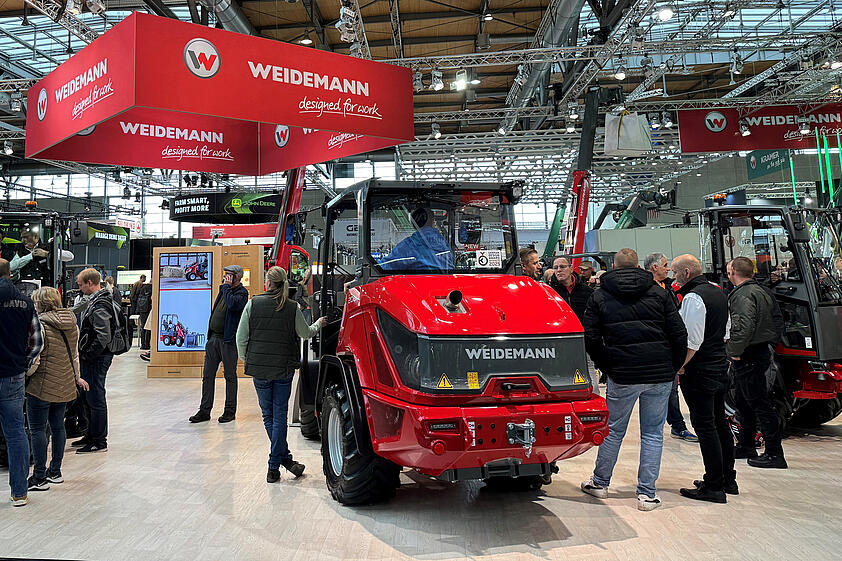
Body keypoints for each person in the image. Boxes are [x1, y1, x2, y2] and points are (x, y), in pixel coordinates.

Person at [581, 248, 688, 511]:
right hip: (659, 373)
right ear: (639, 266)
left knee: (614, 430)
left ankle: (600, 483)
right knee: (653, 433)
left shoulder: (600, 296)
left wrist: (608, 366)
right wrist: (672, 366)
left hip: (623, 374)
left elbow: (591, 338)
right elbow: (679, 333)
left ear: (614, 267)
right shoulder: (660, 293)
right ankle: (647, 494)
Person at [236, 266, 326, 482]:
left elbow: (241, 338)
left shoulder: (253, 304)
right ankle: (279, 462)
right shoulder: (292, 307)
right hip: (283, 369)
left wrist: (248, 360)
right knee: (279, 417)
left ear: (268, 282)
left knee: (268, 416)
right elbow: (305, 333)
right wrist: (318, 324)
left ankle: (276, 463)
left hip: (260, 370)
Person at [672, 254, 735, 503]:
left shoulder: (693, 297)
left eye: (676, 273)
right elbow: (726, 333)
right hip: (719, 366)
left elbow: (692, 341)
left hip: (700, 371)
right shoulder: (718, 292)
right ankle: (727, 478)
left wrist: (679, 366)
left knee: (705, 426)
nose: (674, 278)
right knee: (720, 424)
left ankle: (714, 486)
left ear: (687, 272)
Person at [25, 287, 90, 491]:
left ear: (41, 303)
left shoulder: (40, 324)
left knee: (37, 430)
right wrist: (77, 377)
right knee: (58, 427)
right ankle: (56, 471)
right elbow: (75, 354)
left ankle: (39, 477)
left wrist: (24, 374)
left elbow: (36, 358)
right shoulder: (72, 323)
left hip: (41, 385)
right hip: (65, 384)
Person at [727, 257, 787, 469]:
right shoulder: (760, 291)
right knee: (745, 402)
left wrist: (733, 351)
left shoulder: (744, 295)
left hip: (749, 354)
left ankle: (774, 453)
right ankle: (746, 445)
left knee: (759, 403)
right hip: (756, 351)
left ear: (733, 271)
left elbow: (743, 326)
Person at [0, 258, 42, 506]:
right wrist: (22, 364)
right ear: (10, 273)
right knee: (16, 432)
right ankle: (19, 493)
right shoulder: (26, 302)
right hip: (13, 375)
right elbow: (36, 343)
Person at [645, 252, 697, 443]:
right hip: (654, 348)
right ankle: (657, 428)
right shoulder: (646, 289)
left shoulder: (669, 288)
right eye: (665, 265)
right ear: (654, 268)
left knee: (672, 389)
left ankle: (678, 426)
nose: (668, 269)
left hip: (670, 346)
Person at [190, 265, 249, 424]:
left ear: (237, 277)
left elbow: (232, 305)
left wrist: (226, 288)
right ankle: (204, 411)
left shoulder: (242, 294)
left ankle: (230, 411)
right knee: (208, 375)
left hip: (228, 341)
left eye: (229, 275)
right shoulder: (224, 290)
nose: (226, 278)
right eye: (226, 275)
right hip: (213, 340)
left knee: (230, 376)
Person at [74, 268, 118, 454]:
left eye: (81, 284)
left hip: (97, 358)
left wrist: (88, 355)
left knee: (95, 397)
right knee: (88, 396)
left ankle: (99, 441)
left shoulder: (100, 304)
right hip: (95, 357)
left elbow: (103, 336)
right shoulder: (96, 300)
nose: (79, 287)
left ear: (90, 283)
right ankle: (91, 435)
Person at [380, 207, 453, 271]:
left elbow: (386, 266)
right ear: (433, 221)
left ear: (413, 223)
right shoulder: (445, 245)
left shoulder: (409, 246)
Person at [548, 256, 594, 322]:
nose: (559, 270)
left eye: (562, 267)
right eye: (555, 268)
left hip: (582, 330)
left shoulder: (587, 291)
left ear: (571, 269)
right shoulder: (549, 292)